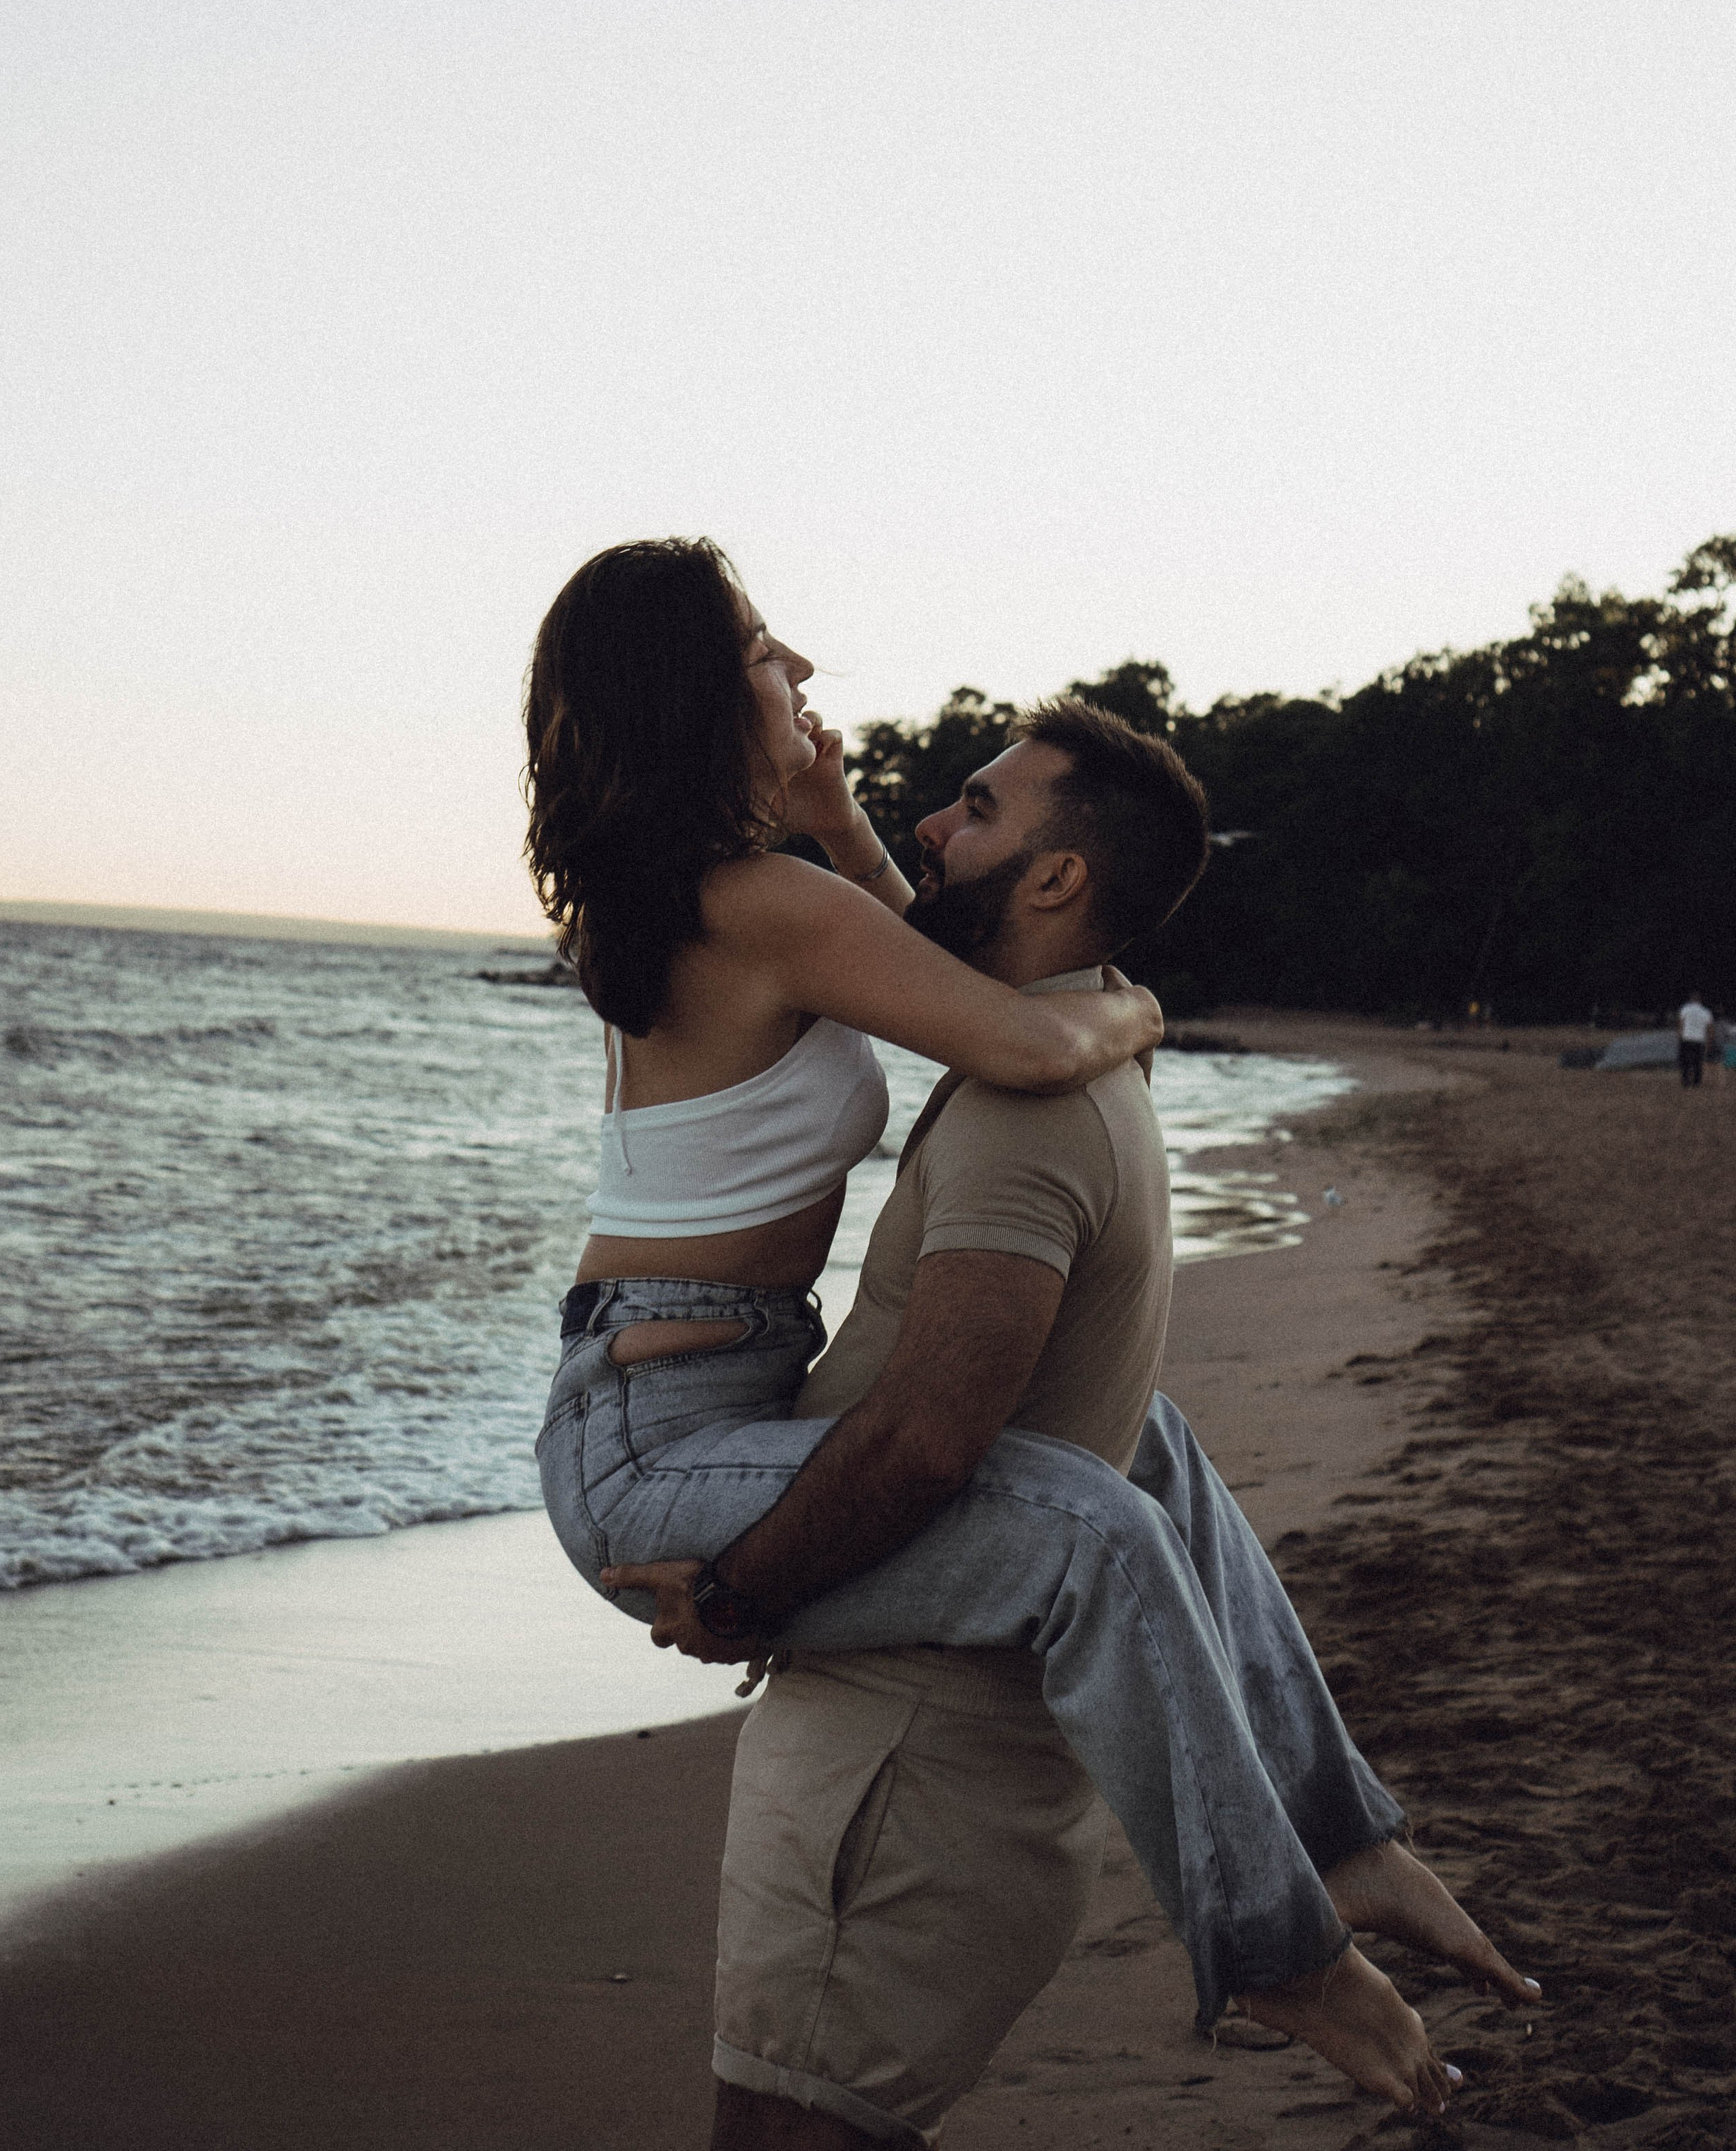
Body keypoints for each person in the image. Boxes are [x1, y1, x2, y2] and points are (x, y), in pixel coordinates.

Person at [528, 539, 1461, 2120]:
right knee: (1094, 1529)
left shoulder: (745, 897)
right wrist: (1142, 1008)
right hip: (650, 1449)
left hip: (702, 1390)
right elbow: (1021, 1037)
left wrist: (840, 821)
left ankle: (1337, 1831)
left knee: (1140, 1439)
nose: (799, 670)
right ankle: (1276, 1945)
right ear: (696, 695)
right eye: (762, 652)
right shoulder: (760, 903)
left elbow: (942, 977)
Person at [1677, 994, 1713, 1089]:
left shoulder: (1685, 1009)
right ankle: (1696, 1082)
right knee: (1698, 1062)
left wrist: (1680, 1036)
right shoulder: (1706, 1012)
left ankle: (1686, 1081)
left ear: (1691, 1000)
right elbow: (1710, 1028)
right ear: (1700, 1000)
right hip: (1700, 1040)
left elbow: (1680, 1024)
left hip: (1687, 1038)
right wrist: (1709, 1041)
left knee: (1686, 1061)